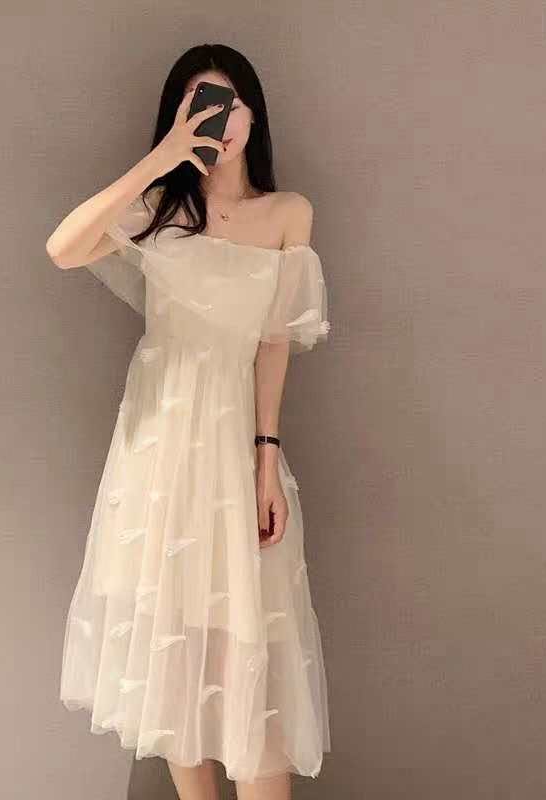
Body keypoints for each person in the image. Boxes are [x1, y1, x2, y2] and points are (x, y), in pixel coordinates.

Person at [46, 43, 331, 800]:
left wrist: (266, 457)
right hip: (158, 449)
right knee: (174, 646)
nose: (218, 119)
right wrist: (166, 156)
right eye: (199, 103)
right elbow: (63, 248)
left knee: (249, 641)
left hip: (235, 444)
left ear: (253, 113)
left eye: (229, 102)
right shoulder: (158, 209)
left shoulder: (288, 213)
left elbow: (274, 342)